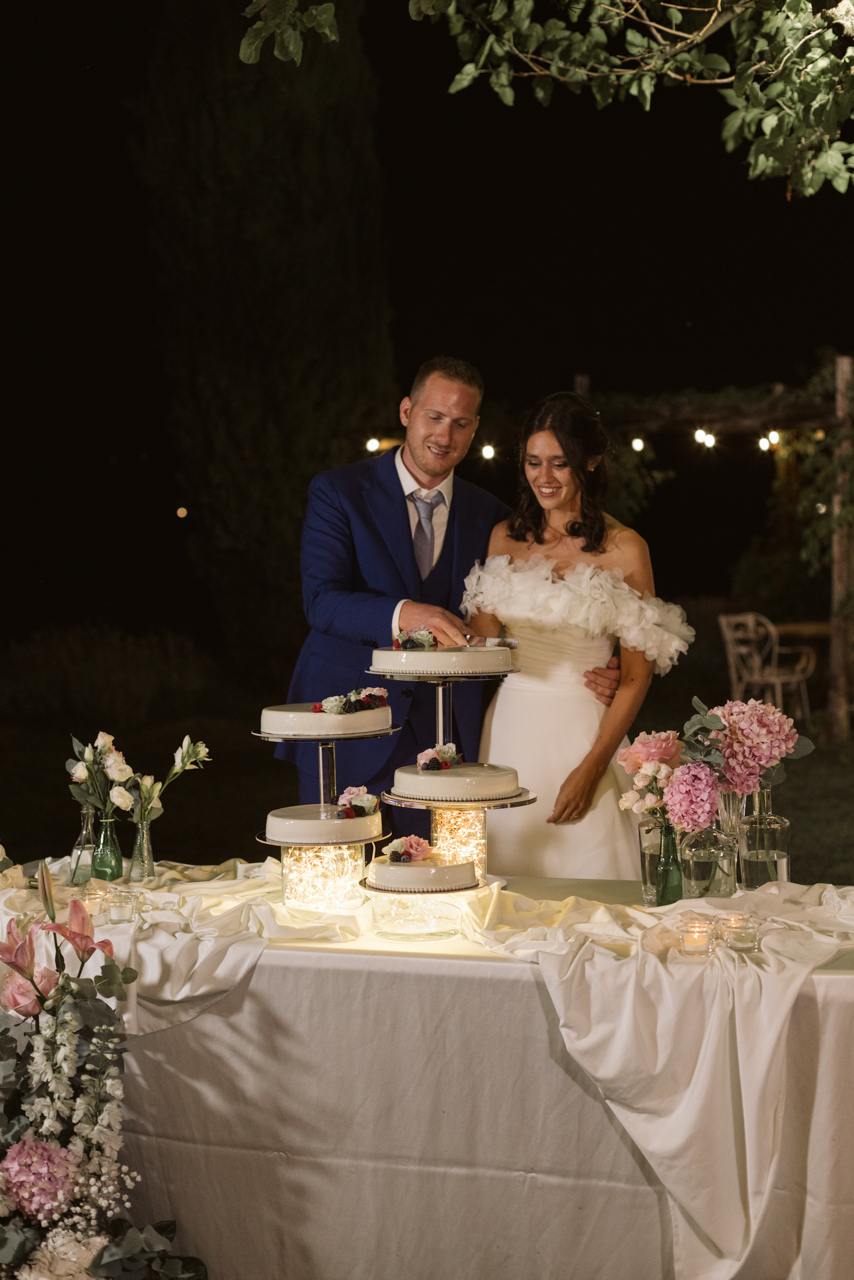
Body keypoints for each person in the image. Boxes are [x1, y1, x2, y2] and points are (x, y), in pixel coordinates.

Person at [278, 360, 621, 832]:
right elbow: (321, 600)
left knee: (437, 871)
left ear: (475, 428)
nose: (445, 435)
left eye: (461, 423)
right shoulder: (339, 491)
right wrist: (405, 613)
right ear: (406, 411)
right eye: (434, 417)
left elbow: (521, 612)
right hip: (349, 726)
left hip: (445, 738)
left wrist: (597, 661)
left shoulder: (493, 517)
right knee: (338, 870)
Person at [462, 391, 694, 879]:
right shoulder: (505, 537)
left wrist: (591, 769)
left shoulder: (625, 549)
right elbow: (479, 645)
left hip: (584, 731)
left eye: (559, 462)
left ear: (590, 460)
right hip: (509, 730)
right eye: (533, 462)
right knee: (509, 875)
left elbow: (635, 676)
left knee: (589, 878)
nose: (543, 476)